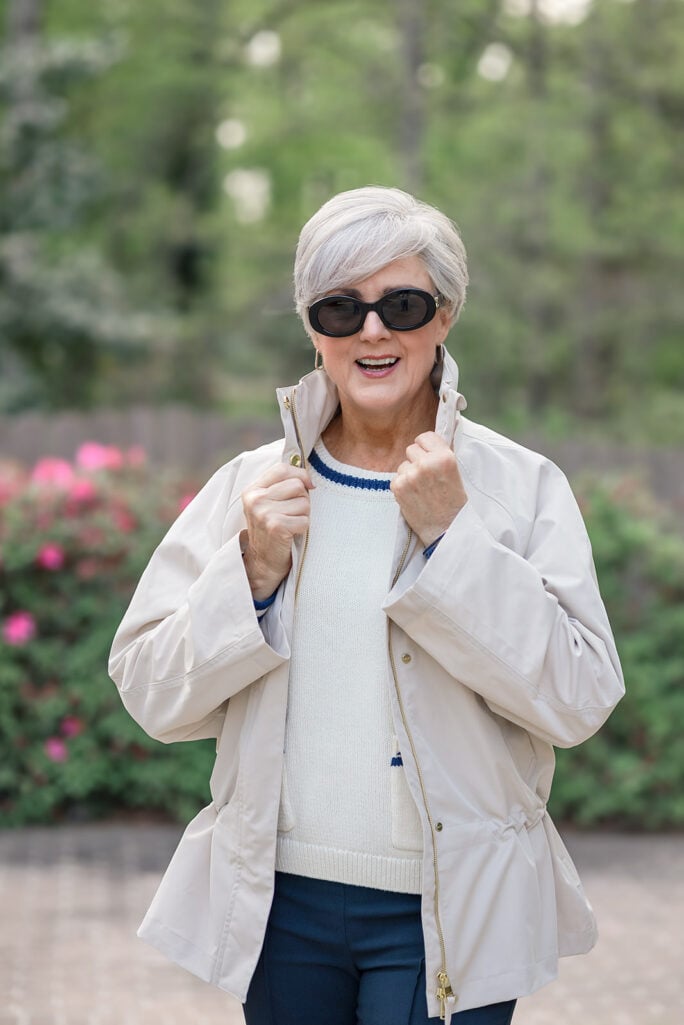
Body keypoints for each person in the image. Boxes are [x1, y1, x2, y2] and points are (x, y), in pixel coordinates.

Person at [109, 186, 624, 1025]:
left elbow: (580, 697)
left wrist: (454, 545)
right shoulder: (250, 490)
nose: (373, 330)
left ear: (446, 316)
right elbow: (151, 692)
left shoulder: (520, 490)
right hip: (282, 908)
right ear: (314, 328)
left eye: (403, 304)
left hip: (452, 906)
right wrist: (252, 571)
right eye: (341, 307)